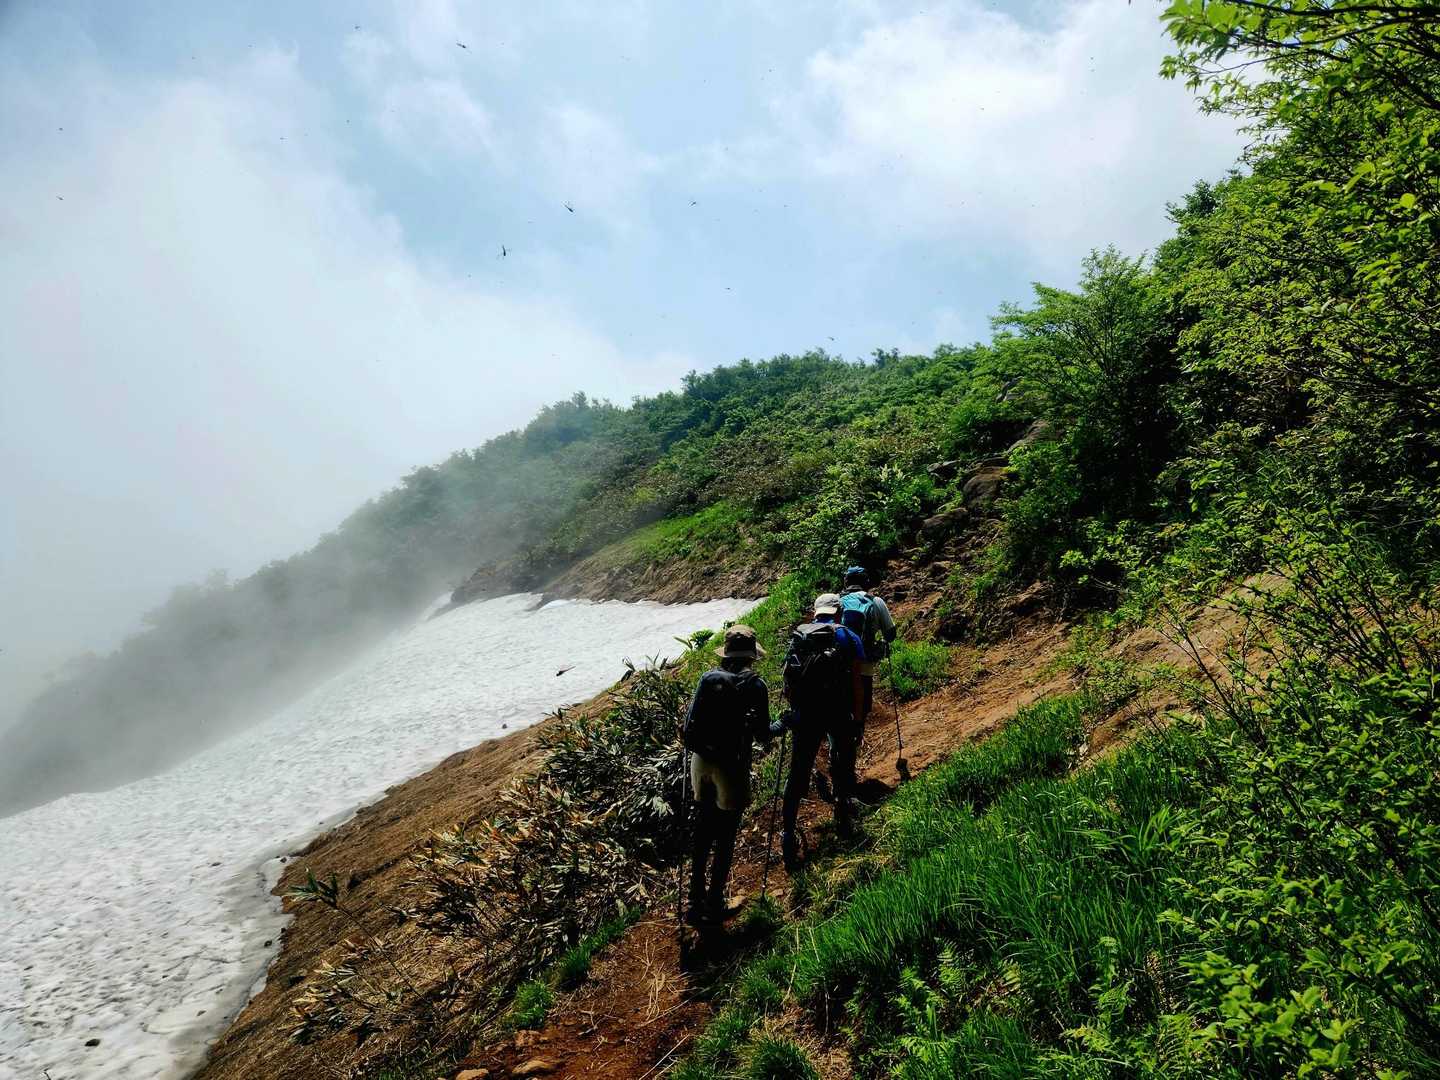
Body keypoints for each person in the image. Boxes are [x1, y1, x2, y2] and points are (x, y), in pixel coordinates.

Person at [681, 624, 771, 926]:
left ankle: (694, 901)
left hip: (701, 762)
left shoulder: (708, 679)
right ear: (751, 656)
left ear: (726, 654)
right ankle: (715, 901)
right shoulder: (756, 686)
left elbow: (690, 725)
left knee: (703, 830)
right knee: (726, 834)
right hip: (731, 765)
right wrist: (781, 726)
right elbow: (763, 735)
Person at [773, 594, 865, 870]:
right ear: (838, 612)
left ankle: (788, 833)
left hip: (805, 716)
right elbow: (857, 683)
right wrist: (858, 718)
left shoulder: (799, 637)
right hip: (837, 711)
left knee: (797, 773)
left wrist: (797, 712)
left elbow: (788, 684)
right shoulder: (848, 636)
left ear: (816, 612)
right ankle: (843, 810)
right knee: (842, 758)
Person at [838, 565, 897, 724]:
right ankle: (858, 733)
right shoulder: (876, 602)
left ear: (846, 582)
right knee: (861, 711)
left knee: (840, 713)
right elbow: (890, 634)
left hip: (839, 666)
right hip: (864, 666)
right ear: (866, 583)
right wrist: (881, 643)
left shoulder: (835, 602)